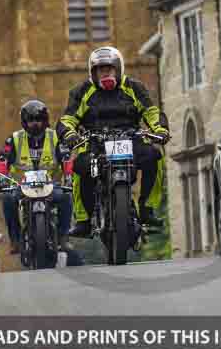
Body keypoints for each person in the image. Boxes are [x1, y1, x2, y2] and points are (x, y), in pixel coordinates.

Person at [57, 46, 170, 237]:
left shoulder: (134, 87)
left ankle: (147, 209)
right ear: (93, 72)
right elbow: (68, 118)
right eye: (100, 70)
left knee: (155, 156)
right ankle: (83, 220)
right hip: (95, 142)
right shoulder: (81, 91)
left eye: (109, 69)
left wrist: (159, 129)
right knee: (78, 167)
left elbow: (151, 112)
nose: (105, 73)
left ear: (118, 69)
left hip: (130, 138)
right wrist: (69, 134)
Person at [0, 99, 73, 256]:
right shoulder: (14, 139)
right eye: (31, 121)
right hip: (23, 186)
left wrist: (68, 177)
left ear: (45, 120)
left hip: (49, 186)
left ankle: (63, 237)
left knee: (66, 196)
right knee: (7, 199)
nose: (35, 124)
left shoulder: (55, 137)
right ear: (24, 122)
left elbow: (66, 158)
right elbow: (2, 159)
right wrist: (2, 178)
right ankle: (15, 240)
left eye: (39, 120)